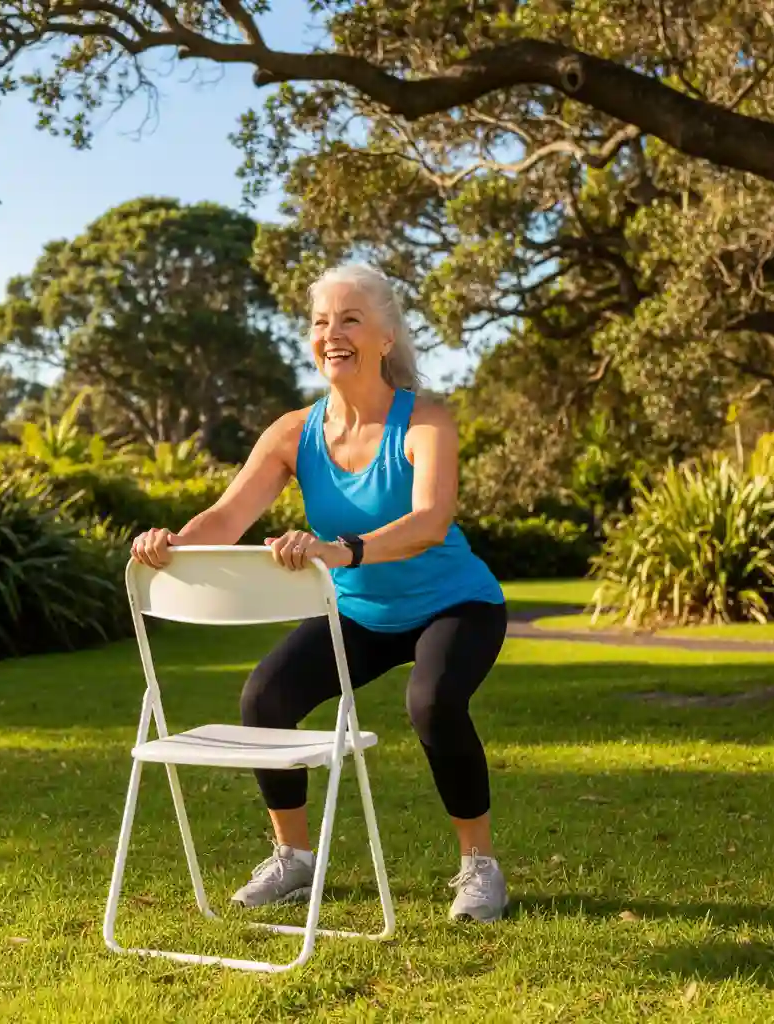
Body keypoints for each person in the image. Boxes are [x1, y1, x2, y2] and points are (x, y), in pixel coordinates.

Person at [130, 262, 510, 923]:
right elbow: (226, 517)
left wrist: (344, 551)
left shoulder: (425, 422)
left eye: (351, 319)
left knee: (433, 701)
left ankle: (480, 868)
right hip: (360, 612)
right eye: (321, 321)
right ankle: (295, 860)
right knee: (265, 696)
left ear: (386, 337)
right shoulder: (292, 432)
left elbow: (431, 521)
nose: (333, 333)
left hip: (455, 604)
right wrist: (173, 544)